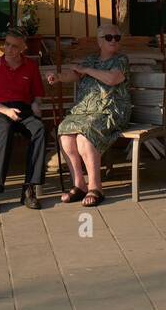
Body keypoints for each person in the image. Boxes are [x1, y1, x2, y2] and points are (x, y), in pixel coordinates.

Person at [47, 26, 132, 207]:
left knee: (84, 135)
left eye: (117, 37)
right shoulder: (91, 59)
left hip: (111, 111)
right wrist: (58, 77)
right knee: (65, 131)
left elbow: (112, 79)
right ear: (99, 41)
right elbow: (74, 73)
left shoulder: (121, 60)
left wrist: (87, 70)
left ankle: (96, 187)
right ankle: (79, 185)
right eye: (109, 37)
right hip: (84, 112)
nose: (113, 41)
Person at [0, 25, 47, 215]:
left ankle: (29, 188)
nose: (9, 49)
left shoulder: (31, 67)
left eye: (14, 46)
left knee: (39, 130)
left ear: (23, 47)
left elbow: (38, 95)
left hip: (23, 109)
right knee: (6, 132)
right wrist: (6, 111)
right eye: (7, 44)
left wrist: (35, 104)